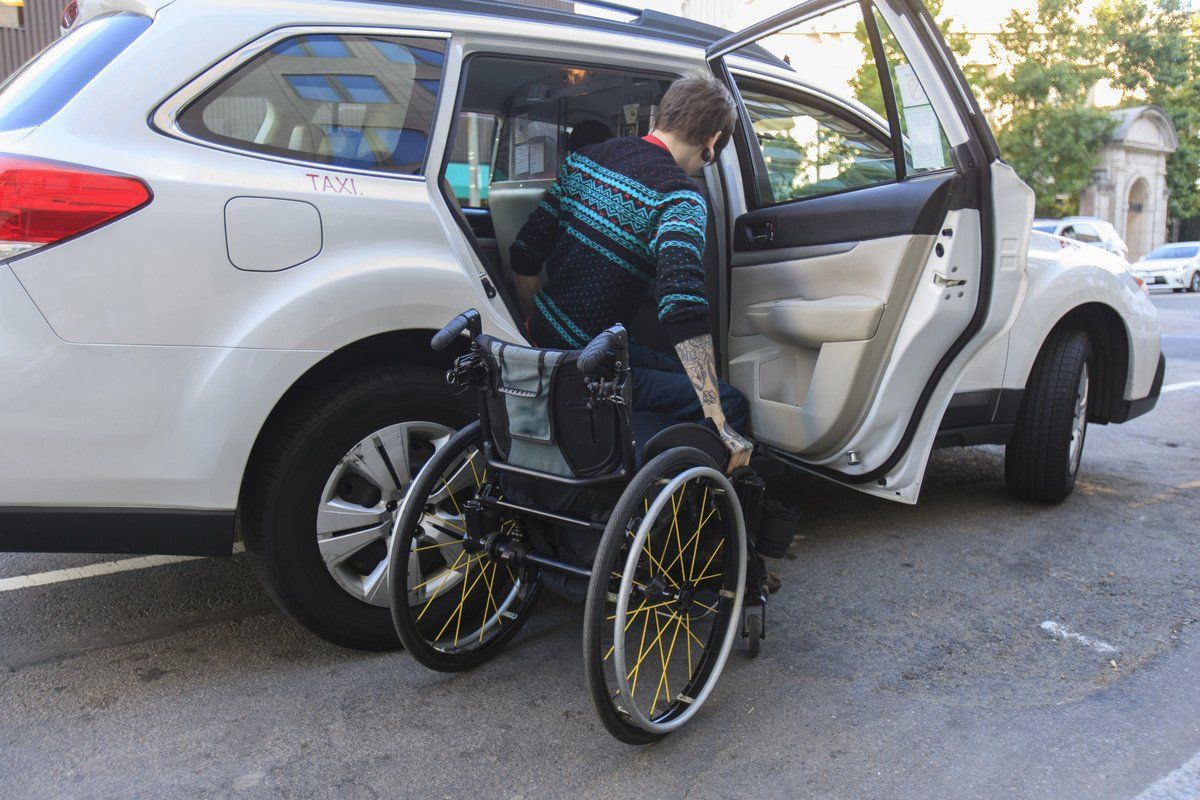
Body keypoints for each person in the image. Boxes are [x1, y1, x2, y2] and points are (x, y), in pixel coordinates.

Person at [508, 73, 753, 471]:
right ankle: (696, 520)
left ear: (661, 116)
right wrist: (719, 420)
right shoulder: (679, 195)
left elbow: (524, 253)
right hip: (595, 364)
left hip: (547, 341)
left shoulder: (587, 159)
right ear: (712, 142)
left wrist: (537, 328)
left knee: (670, 369)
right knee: (731, 402)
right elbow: (681, 307)